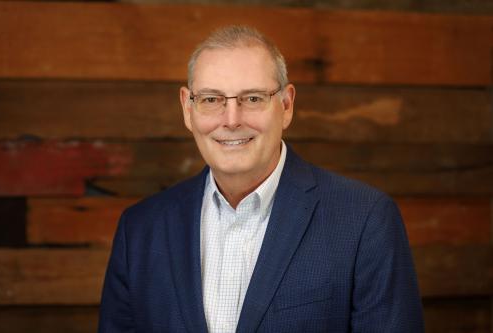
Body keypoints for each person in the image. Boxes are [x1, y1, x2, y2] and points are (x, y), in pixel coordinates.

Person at [99, 25, 424, 333]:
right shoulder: (140, 229)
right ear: (187, 108)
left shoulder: (364, 219)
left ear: (286, 105)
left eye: (252, 98)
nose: (231, 120)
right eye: (211, 99)